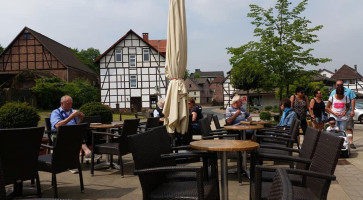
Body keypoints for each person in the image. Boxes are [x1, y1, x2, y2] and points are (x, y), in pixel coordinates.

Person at [50, 95, 99, 173]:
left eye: (71, 103)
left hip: (72, 134)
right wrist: (71, 117)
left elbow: (76, 125)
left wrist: (80, 119)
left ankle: (75, 161)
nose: (70, 105)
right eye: (68, 103)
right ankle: (86, 152)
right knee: (73, 135)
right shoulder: (56, 112)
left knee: (82, 132)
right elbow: (57, 125)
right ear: (62, 103)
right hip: (58, 135)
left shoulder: (73, 111)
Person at [330, 80, 357, 149]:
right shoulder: (333, 92)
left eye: (341, 85)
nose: (339, 86)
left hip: (347, 113)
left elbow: (353, 100)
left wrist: (352, 111)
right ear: (335, 85)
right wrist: (331, 113)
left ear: (343, 85)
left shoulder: (349, 91)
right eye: (338, 85)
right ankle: (336, 143)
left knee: (349, 127)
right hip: (336, 114)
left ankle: (351, 142)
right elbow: (330, 103)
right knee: (336, 128)